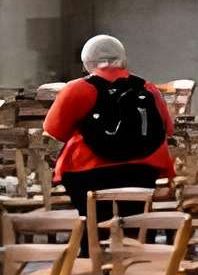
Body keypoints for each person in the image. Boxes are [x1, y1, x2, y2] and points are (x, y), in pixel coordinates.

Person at [44, 35, 174, 214]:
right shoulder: (147, 88)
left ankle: (92, 237)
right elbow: (168, 129)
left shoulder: (78, 89)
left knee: (93, 219)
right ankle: (139, 234)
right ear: (123, 60)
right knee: (134, 217)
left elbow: (55, 130)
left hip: (90, 173)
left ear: (87, 63)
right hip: (143, 172)